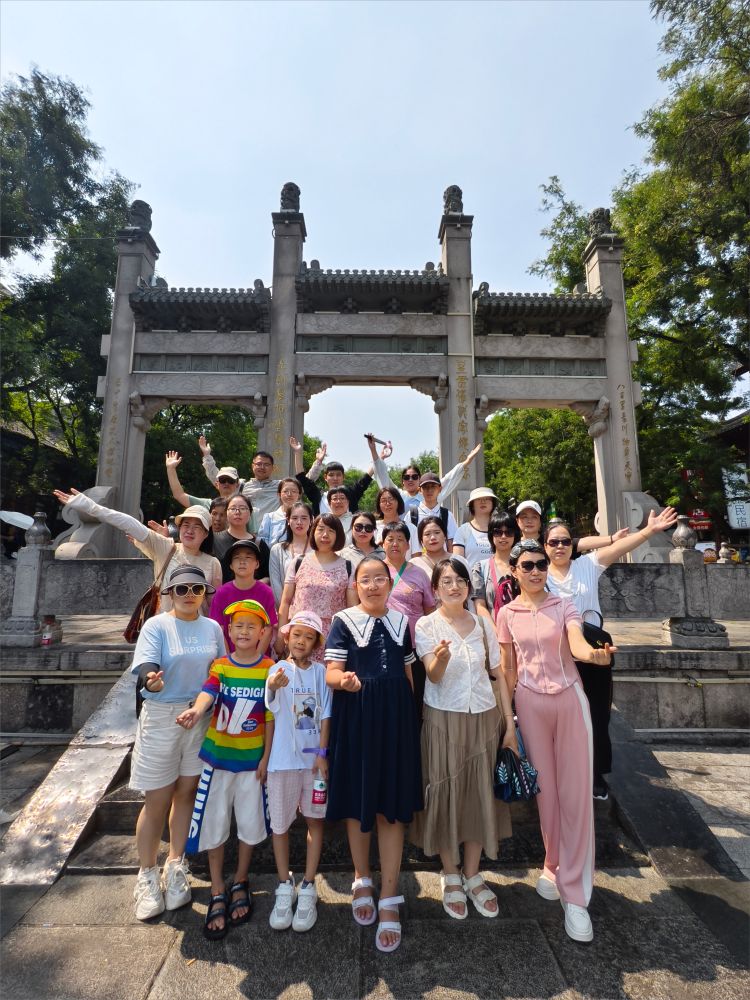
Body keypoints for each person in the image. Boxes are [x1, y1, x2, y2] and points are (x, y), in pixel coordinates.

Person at [496, 540, 617, 944]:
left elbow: (577, 642)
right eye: (527, 565)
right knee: (546, 795)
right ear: (515, 571)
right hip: (530, 704)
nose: (535, 571)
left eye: (541, 564)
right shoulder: (506, 614)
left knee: (575, 795)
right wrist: (508, 724)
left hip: (569, 699)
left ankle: (576, 895)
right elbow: (507, 669)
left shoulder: (563, 605)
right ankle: (553, 864)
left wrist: (593, 656)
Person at [543, 506, 677, 800]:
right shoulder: (538, 573)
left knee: (596, 715)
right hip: (556, 655)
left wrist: (649, 531)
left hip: (593, 652)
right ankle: (562, 772)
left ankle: (595, 773)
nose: (560, 547)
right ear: (545, 546)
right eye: (553, 542)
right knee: (561, 718)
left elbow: (619, 548)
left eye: (565, 541)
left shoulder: (587, 565)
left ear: (572, 545)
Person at [325, 555, 423, 953]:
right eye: (365, 579)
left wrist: (413, 717)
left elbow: (408, 672)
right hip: (357, 717)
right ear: (356, 585)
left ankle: (390, 893)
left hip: (396, 719)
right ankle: (362, 878)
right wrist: (344, 681)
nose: (372, 585)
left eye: (379, 578)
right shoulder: (343, 621)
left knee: (391, 805)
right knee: (359, 800)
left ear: (389, 583)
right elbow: (331, 672)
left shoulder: (402, 621)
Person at [412, 558, 517, 919]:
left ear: (468, 587)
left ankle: (472, 873)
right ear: (435, 589)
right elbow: (433, 675)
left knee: (478, 793)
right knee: (446, 792)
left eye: (459, 580)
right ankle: (450, 872)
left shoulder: (483, 624)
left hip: (485, 719)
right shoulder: (426, 625)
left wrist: (510, 726)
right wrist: (441, 658)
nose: (454, 586)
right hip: (444, 719)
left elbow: (498, 676)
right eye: (446, 581)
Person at [127, 565, 225, 920]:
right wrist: (150, 680)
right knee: (157, 797)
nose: (189, 595)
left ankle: (175, 863)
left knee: (186, 793)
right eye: (181, 589)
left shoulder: (213, 628)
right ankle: (147, 873)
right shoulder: (157, 625)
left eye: (196, 589)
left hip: (199, 715)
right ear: (170, 593)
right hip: (162, 715)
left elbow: (219, 671)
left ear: (204, 593)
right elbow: (146, 666)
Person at [175, 599, 275, 940]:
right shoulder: (221, 665)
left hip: (251, 764)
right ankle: (217, 887)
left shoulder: (269, 669)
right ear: (229, 631)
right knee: (214, 825)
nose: (244, 631)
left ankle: (241, 879)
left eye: (251, 626)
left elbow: (270, 716)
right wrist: (196, 710)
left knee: (249, 824)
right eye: (238, 626)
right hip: (218, 760)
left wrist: (266, 757)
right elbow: (209, 692)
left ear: (263, 633)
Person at [265, 611, 332, 933]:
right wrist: (273, 685)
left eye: (309, 637)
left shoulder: (321, 673)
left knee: (315, 820)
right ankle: (283, 883)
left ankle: (308, 883)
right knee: (279, 825)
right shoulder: (276, 670)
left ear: (316, 643)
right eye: (296, 635)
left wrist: (322, 753)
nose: (301, 641)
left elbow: (326, 714)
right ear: (287, 637)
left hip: (313, 763)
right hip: (282, 762)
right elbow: (270, 704)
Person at [52, 490, 221, 612]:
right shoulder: (165, 547)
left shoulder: (212, 563)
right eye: (186, 525)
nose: (189, 530)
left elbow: (214, 605)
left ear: (206, 533)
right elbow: (129, 523)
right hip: (165, 626)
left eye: (197, 527)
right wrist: (91, 507)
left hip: (199, 629)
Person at [276, 514, 357, 662]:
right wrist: (281, 637)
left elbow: (352, 608)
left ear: (338, 535)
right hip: (299, 637)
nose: (325, 535)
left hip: (332, 638)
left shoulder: (348, 566)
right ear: (313, 532)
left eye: (331, 530)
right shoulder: (299, 562)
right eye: (320, 529)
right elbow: (285, 601)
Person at [381, 521, 436, 719]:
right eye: (390, 539)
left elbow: (430, 610)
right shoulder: (375, 570)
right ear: (382, 543)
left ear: (408, 545)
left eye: (400, 539)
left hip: (413, 645)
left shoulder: (419, 573)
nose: (395, 544)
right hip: (382, 645)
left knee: (414, 695)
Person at [367, 434, 483, 510]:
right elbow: (383, 476)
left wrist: (467, 461)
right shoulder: (398, 496)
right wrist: (373, 450)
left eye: (414, 477)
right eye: (407, 477)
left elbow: (449, 478)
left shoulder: (430, 495)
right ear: (403, 482)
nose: (410, 480)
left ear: (420, 479)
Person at [200, 436, 280, 532]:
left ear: (273, 468)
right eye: (258, 464)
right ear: (253, 466)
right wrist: (207, 456)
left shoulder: (280, 487)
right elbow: (219, 479)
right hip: (246, 534)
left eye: (266, 464)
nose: (262, 467)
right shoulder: (242, 485)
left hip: (270, 534)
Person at [210, 540, 277, 653]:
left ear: (257, 564)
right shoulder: (221, 593)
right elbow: (218, 629)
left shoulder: (266, 592)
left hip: (259, 657)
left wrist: (257, 657)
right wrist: (228, 658)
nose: (242, 561)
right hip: (229, 656)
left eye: (248, 557)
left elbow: (268, 628)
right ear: (231, 565)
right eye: (237, 558)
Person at [290, 435, 374, 517]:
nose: (335, 478)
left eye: (338, 475)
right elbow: (302, 478)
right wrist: (297, 453)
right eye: (331, 475)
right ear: (325, 477)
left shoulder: (351, 494)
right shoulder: (318, 496)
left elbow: (366, 479)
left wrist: (375, 453)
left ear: (343, 477)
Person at [473, 512, 520, 623]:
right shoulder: (481, 568)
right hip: (494, 628)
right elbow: (480, 606)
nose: (503, 537)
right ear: (491, 535)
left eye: (509, 532)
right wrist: (495, 631)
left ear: (515, 535)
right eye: (498, 532)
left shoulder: (525, 565)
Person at [212, 494, 270, 582]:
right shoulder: (214, 539)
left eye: (242, 508)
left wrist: (251, 586)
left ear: (250, 513)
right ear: (226, 512)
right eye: (233, 508)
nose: (237, 512)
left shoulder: (259, 544)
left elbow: (268, 576)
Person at [269, 502, 312, 608]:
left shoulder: (318, 549)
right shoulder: (277, 550)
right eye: (295, 518)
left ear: (311, 520)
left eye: (304, 518)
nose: (299, 522)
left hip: (313, 608)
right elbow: (276, 584)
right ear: (288, 520)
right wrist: (285, 609)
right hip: (285, 610)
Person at [164, 450, 239, 510]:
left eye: (230, 480)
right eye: (223, 480)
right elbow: (179, 495)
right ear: (217, 484)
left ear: (237, 485)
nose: (226, 483)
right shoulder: (207, 505)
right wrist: (171, 469)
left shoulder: (243, 507)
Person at [410, 516, 470, 585]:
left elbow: (469, 587)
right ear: (421, 540)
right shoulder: (413, 565)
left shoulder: (459, 561)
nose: (433, 537)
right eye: (427, 534)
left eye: (437, 532)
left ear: (445, 536)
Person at [406, 472, 458, 547]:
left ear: (440, 489)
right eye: (425, 487)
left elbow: (451, 542)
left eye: (433, 486)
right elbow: (407, 541)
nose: (429, 490)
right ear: (420, 490)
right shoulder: (412, 514)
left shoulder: (447, 515)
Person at [452, 487, 499, 569]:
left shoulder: (501, 530)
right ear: (472, 505)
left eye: (487, 499)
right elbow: (457, 563)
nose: (483, 501)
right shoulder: (463, 530)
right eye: (478, 499)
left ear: (493, 504)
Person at [257, 479, 303, 547]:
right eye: (285, 491)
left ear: (299, 495)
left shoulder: (306, 517)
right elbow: (262, 543)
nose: (289, 494)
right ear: (279, 494)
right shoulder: (270, 518)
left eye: (294, 491)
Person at [374, 487, 420, 556]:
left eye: (391, 499)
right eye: (383, 501)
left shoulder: (411, 528)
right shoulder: (372, 527)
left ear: (398, 502)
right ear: (379, 505)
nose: (387, 503)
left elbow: (416, 556)